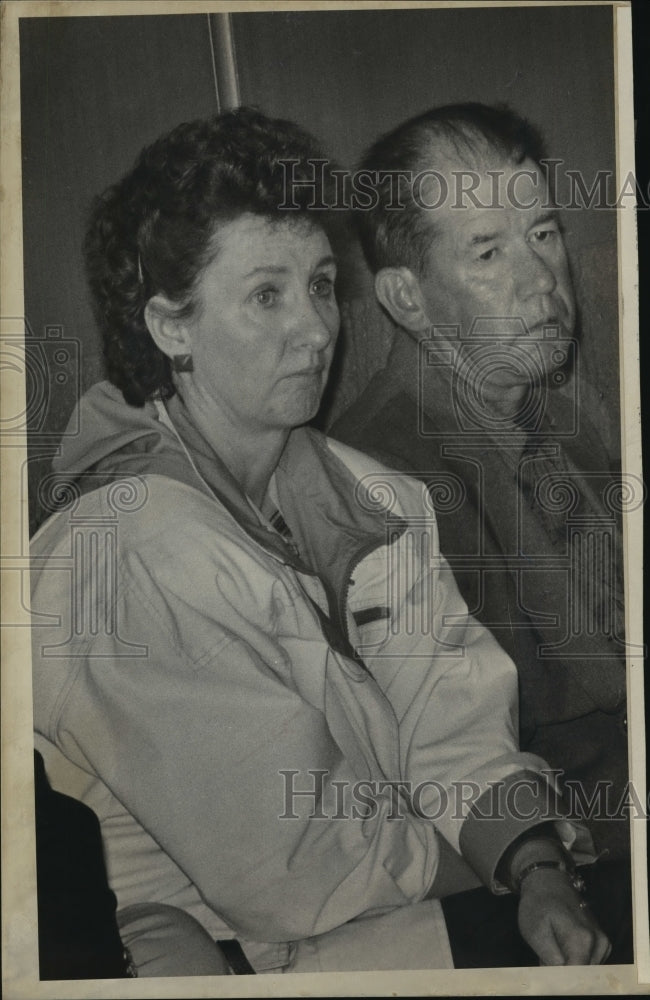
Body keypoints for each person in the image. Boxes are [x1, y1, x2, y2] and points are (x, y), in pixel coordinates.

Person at [31, 107, 610, 977]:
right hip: (221, 959)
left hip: (376, 923)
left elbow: (449, 714)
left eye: (319, 283)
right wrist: (501, 864)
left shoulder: (369, 494)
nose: (315, 328)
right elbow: (298, 870)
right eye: (265, 294)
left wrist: (531, 862)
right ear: (169, 326)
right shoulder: (128, 548)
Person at [330, 103, 630, 872]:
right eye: (489, 254)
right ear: (407, 299)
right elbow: (489, 754)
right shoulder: (383, 483)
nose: (542, 283)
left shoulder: (559, 408)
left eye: (544, 234)